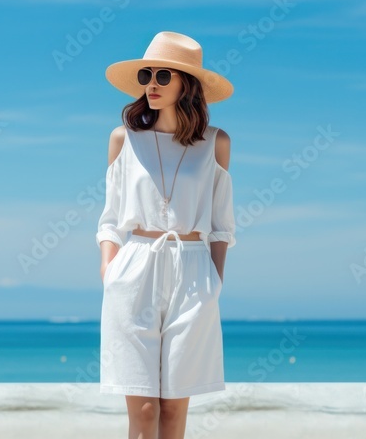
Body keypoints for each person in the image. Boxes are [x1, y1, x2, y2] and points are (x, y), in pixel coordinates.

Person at [96, 31, 237, 438]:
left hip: (193, 272)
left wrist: (213, 281)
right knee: (142, 408)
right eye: (146, 75)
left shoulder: (216, 143)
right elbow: (109, 219)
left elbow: (223, 225)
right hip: (134, 267)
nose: (152, 84)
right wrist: (109, 268)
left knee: (174, 410)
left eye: (162, 75)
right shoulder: (124, 139)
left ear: (185, 84)